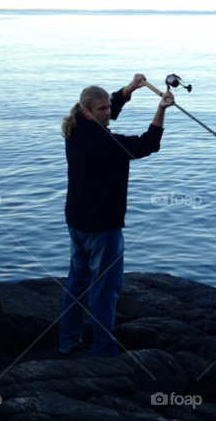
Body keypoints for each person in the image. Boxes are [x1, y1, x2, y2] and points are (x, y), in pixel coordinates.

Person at [58, 74, 174, 356]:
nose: (108, 112)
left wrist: (130, 89)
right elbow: (147, 144)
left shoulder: (76, 128)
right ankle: (104, 349)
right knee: (104, 290)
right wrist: (161, 109)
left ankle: (68, 342)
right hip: (102, 226)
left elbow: (109, 104)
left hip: (78, 221)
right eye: (102, 110)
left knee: (77, 284)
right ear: (87, 111)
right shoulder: (103, 144)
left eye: (108, 107)